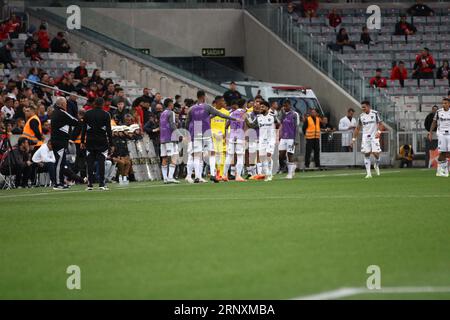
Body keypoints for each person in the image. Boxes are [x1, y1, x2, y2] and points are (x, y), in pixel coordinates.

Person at [185, 90, 235, 183]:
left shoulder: (191, 109)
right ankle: (212, 174)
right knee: (212, 153)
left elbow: (187, 122)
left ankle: (197, 176)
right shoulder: (207, 107)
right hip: (206, 133)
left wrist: (188, 132)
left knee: (197, 155)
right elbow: (220, 114)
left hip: (196, 134)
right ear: (203, 97)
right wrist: (233, 118)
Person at [81, 97, 113, 190]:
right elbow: (108, 130)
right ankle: (101, 184)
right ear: (102, 104)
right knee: (101, 162)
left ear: (94, 103)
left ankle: (90, 184)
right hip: (102, 141)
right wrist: (111, 143)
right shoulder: (106, 114)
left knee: (90, 163)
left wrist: (82, 141)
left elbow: (84, 129)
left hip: (90, 140)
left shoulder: (87, 114)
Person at [50, 97, 79, 190]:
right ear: (62, 104)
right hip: (60, 141)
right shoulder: (61, 113)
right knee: (59, 163)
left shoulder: (55, 112)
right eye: (65, 104)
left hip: (57, 141)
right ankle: (57, 183)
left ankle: (61, 182)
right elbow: (74, 121)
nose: (66, 105)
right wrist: (81, 121)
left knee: (61, 163)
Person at [352, 101, 385, 179]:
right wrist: (353, 138)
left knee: (375, 153)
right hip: (365, 137)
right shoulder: (361, 116)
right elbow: (357, 128)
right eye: (362, 107)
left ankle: (376, 164)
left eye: (364, 107)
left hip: (374, 136)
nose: (363, 108)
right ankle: (369, 174)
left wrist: (379, 132)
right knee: (366, 154)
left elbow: (381, 124)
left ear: (368, 106)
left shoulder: (375, 113)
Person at [222, 98, 247, 182]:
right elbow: (245, 127)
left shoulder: (232, 113)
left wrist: (225, 136)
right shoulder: (244, 113)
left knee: (229, 156)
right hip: (240, 137)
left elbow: (226, 126)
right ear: (244, 105)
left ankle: (224, 175)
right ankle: (238, 176)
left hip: (232, 137)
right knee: (240, 157)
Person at [255, 100, 277, 181]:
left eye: (263, 107)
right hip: (262, 140)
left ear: (267, 108)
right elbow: (252, 125)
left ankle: (270, 175)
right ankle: (267, 173)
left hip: (271, 139)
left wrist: (277, 135)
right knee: (262, 157)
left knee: (268, 155)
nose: (261, 108)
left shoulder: (273, 116)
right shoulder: (258, 117)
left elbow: (279, 124)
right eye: (260, 107)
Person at [159, 98, 180, 184]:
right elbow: (172, 124)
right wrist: (179, 134)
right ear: (170, 104)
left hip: (162, 138)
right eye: (172, 103)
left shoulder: (162, 113)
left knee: (164, 158)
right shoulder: (171, 113)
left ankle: (165, 178)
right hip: (170, 138)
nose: (173, 105)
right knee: (174, 157)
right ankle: (170, 177)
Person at [428, 98, 450, 177]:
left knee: (448, 153)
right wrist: (430, 133)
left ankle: (443, 167)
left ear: (449, 104)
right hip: (441, 134)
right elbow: (434, 123)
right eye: (443, 103)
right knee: (443, 152)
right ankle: (441, 170)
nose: (444, 104)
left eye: (445, 103)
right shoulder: (439, 112)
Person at [279, 100, 300, 179]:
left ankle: (290, 173)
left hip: (291, 138)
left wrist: (296, 140)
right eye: (284, 106)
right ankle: (293, 166)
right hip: (283, 138)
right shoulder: (283, 114)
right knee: (281, 154)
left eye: (286, 106)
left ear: (290, 105)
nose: (285, 107)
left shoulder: (295, 114)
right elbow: (279, 122)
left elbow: (297, 127)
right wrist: (281, 113)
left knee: (290, 155)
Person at [210, 95, 229, 181]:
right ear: (217, 102)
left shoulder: (226, 112)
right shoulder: (210, 111)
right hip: (212, 136)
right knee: (213, 156)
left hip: (221, 137)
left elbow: (227, 125)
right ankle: (214, 173)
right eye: (222, 101)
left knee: (221, 155)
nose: (223, 103)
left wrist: (226, 134)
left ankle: (220, 174)